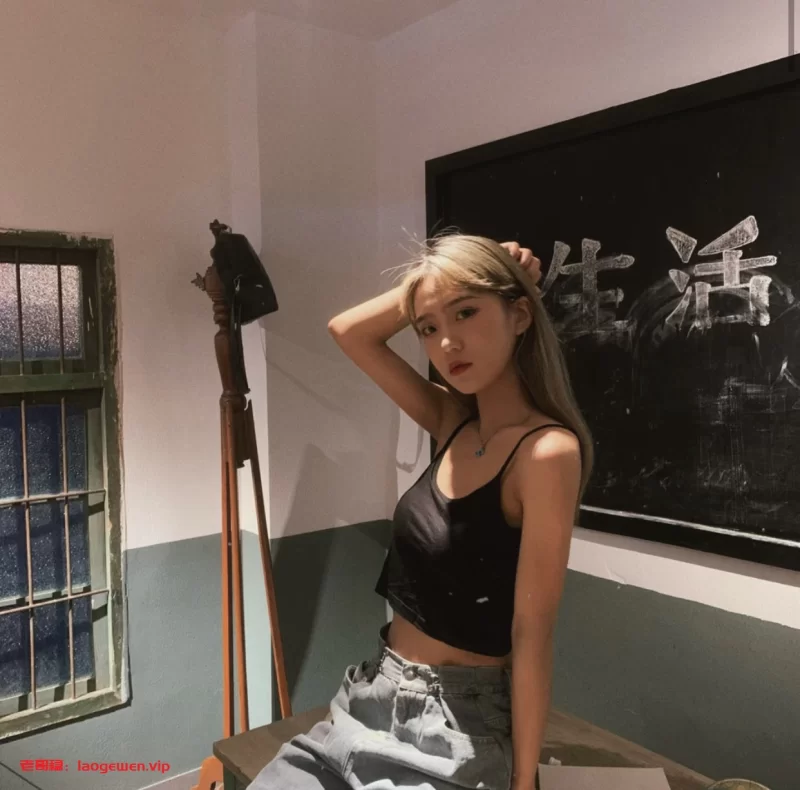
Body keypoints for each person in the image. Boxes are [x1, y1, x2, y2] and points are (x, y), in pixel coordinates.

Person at [250, 233, 594, 790]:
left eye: (466, 312)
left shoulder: (545, 453)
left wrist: (524, 781)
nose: (447, 342)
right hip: (369, 696)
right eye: (428, 328)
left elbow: (532, 634)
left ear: (520, 315)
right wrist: (440, 277)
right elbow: (348, 331)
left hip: (456, 727)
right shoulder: (453, 420)